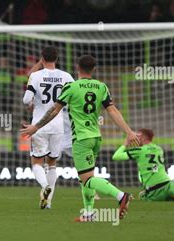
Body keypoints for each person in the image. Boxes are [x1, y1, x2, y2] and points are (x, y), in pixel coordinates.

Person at [21, 55, 139, 221]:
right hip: (96, 137)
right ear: (94, 69)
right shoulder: (101, 87)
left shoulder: (72, 87)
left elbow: (54, 111)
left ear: (77, 68)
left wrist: (36, 127)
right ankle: (88, 213)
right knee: (85, 177)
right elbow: (113, 111)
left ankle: (121, 196)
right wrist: (129, 131)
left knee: (88, 179)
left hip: (81, 139)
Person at [23, 46, 74, 209]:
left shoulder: (35, 76)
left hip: (39, 125)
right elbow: (74, 97)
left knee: (37, 163)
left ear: (42, 59)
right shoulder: (66, 77)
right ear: (57, 59)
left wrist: (32, 103)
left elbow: (26, 100)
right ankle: (48, 202)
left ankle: (45, 187)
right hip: (58, 126)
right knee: (52, 164)